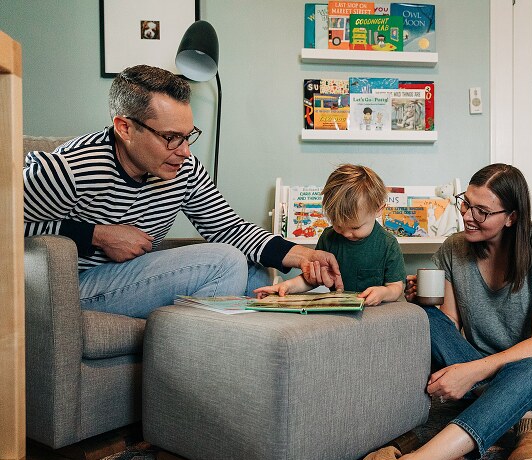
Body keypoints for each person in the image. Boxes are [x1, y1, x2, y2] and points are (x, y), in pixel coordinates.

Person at [336, 163, 532, 460]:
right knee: (424, 317)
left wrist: (473, 372)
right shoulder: (454, 249)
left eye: (483, 211)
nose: (468, 216)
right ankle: (523, 421)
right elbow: (446, 324)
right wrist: (421, 300)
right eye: (466, 203)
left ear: (511, 217)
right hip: (478, 372)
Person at [22, 64, 342, 319]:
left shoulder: (182, 168)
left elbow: (228, 228)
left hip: (132, 275)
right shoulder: (69, 168)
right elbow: (8, 226)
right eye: (172, 137)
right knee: (226, 263)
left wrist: (304, 254)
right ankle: (185, 367)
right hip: (72, 289)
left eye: (189, 136)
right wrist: (97, 235)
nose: (185, 151)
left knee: (253, 273)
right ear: (125, 128)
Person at [256, 164, 405, 306]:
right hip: (338, 312)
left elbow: (396, 288)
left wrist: (383, 293)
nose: (346, 233)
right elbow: (311, 279)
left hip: (376, 312)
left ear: (379, 210)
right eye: (338, 225)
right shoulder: (329, 237)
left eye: (355, 227)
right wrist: (286, 286)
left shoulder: (388, 244)